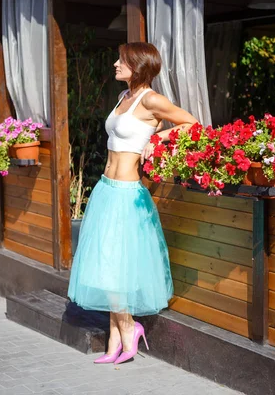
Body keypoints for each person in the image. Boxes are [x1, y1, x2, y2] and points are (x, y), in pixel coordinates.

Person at [67, 42, 198, 365]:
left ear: (137, 65)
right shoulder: (123, 97)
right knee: (109, 265)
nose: (115, 64)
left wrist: (158, 138)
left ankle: (129, 328)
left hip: (127, 194)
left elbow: (192, 123)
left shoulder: (151, 99)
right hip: (106, 190)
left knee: (114, 265)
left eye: (122, 60)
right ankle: (116, 338)